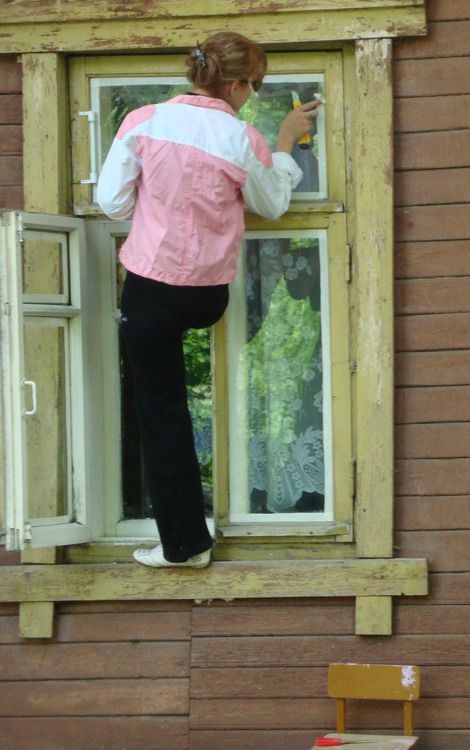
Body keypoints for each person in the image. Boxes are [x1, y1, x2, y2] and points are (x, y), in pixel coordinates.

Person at [96, 32, 321, 568]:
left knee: (162, 414)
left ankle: (185, 545)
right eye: (255, 86)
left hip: (152, 290)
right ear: (239, 84)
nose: (252, 95)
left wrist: (153, 201)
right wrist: (285, 145)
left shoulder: (143, 122)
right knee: (222, 392)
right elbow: (271, 204)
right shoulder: (242, 137)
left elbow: (111, 203)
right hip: (210, 294)